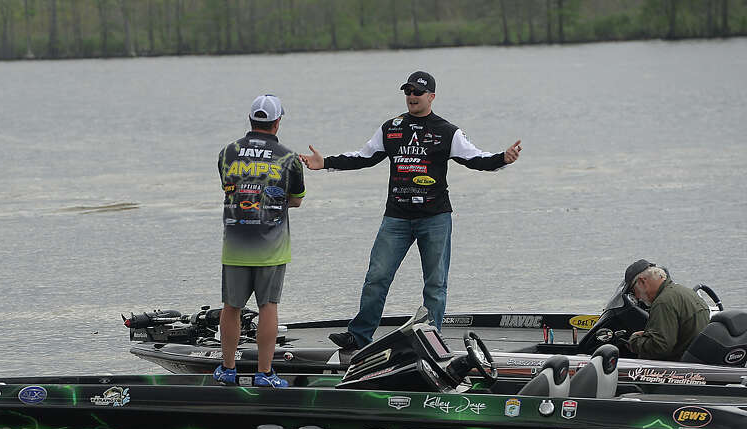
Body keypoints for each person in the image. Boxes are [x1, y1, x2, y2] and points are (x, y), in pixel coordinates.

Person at [299, 71, 521, 350]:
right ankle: (358, 335)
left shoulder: (447, 131)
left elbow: (476, 158)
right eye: (408, 91)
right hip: (397, 217)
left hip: (435, 217)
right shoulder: (391, 128)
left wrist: (503, 158)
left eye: (417, 92)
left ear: (431, 97)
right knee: (377, 276)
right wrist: (326, 162)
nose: (412, 96)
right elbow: (364, 157)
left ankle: (433, 339)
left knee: (435, 284)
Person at [214, 94, 306, 388]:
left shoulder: (227, 152)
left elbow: (230, 190)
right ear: (277, 122)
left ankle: (228, 370)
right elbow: (296, 200)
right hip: (271, 245)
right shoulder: (289, 158)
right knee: (268, 306)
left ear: (252, 119)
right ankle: (264, 374)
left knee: (231, 306)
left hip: (236, 242)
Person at [623, 259, 710, 361]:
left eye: (634, 291)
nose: (637, 297)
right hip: (697, 361)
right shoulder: (686, 292)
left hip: (679, 368)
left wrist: (635, 341)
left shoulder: (663, 302)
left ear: (642, 281)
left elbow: (659, 347)